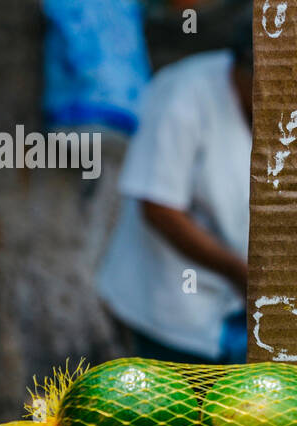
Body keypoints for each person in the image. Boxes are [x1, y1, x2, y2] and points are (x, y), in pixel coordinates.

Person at [96, 21, 252, 364]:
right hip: (172, 305)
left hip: (239, 305)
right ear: (243, 69)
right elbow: (159, 208)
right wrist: (239, 272)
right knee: (175, 407)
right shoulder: (184, 94)